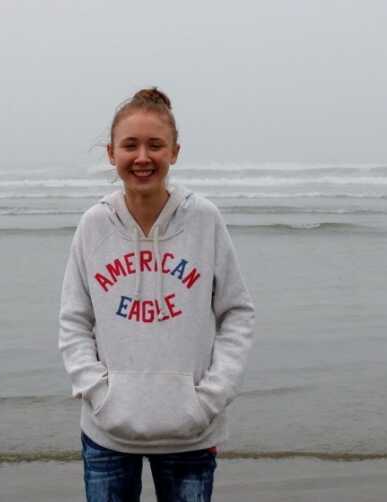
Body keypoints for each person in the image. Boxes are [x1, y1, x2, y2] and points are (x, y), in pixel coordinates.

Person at [59, 87, 255, 502]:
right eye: (130, 145)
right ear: (112, 154)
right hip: (108, 434)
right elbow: (74, 320)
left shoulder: (204, 220)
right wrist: (98, 394)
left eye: (155, 145)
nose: (143, 157)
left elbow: (236, 312)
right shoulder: (94, 225)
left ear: (175, 151)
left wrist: (211, 397)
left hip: (190, 435)